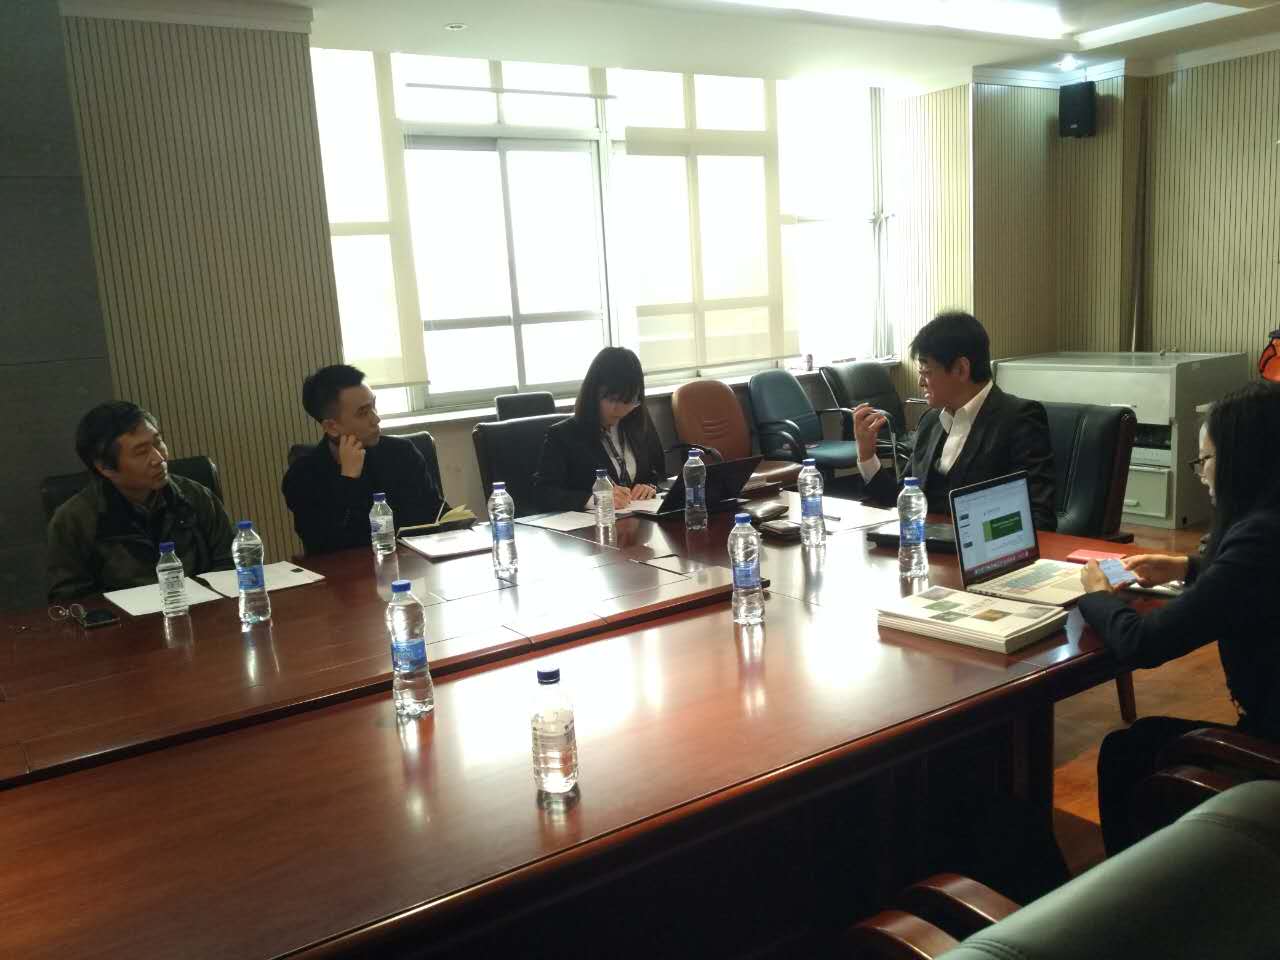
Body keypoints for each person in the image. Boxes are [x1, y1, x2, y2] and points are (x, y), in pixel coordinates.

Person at [1079, 381, 1280, 855]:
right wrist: (1188, 567)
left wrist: (1099, 595)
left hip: (1270, 749)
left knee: (1128, 752)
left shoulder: (1258, 539)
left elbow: (1144, 643)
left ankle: (1137, 893)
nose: (1201, 473)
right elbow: (1252, 584)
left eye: (1205, 459)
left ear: (1241, 462)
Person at [853, 311, 1057, 530]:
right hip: (925, 547)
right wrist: (867, 456)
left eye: (926, 371)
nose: (921, 382)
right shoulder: (931, 422)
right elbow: (903, 501)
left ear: (961, 369)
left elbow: (1038, 518)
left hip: (984, 549)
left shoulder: (1019, 419)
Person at [46, 402, 234, 602]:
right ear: (105, 467)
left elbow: (228, 568)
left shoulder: (195, 496)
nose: (159, 458)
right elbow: (70, 600)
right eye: (141, 452)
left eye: (158, 442)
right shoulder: (74, 520)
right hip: (124, 621)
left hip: (201, 612)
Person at [283, 364, 447, 555]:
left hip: (412, 565)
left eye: (373, 405)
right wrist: (348, 479)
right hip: (346, 573)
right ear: (332, 427)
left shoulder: (401, 453)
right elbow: (324, 545)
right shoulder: (303, 475)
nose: (376, 419)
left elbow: (435, 515)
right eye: (363, 412)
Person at [533, 347, 666, 513]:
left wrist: (649, 487)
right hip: (592, 525)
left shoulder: (636, 424)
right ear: (593, 394)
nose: (619, 409)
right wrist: (595, 500)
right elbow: (543, 494)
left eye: (628, 401)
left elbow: (657, 473)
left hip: (636, 519)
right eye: (612, 400)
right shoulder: (563, 436)